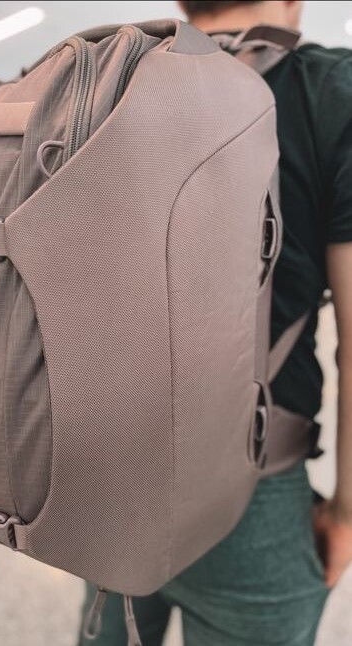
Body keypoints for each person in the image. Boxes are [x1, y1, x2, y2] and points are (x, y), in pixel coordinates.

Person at [78, 2, 352, 644]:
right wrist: (346, 513)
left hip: (105, 476)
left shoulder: (109, 86)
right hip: (251, 495)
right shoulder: (328, 90)